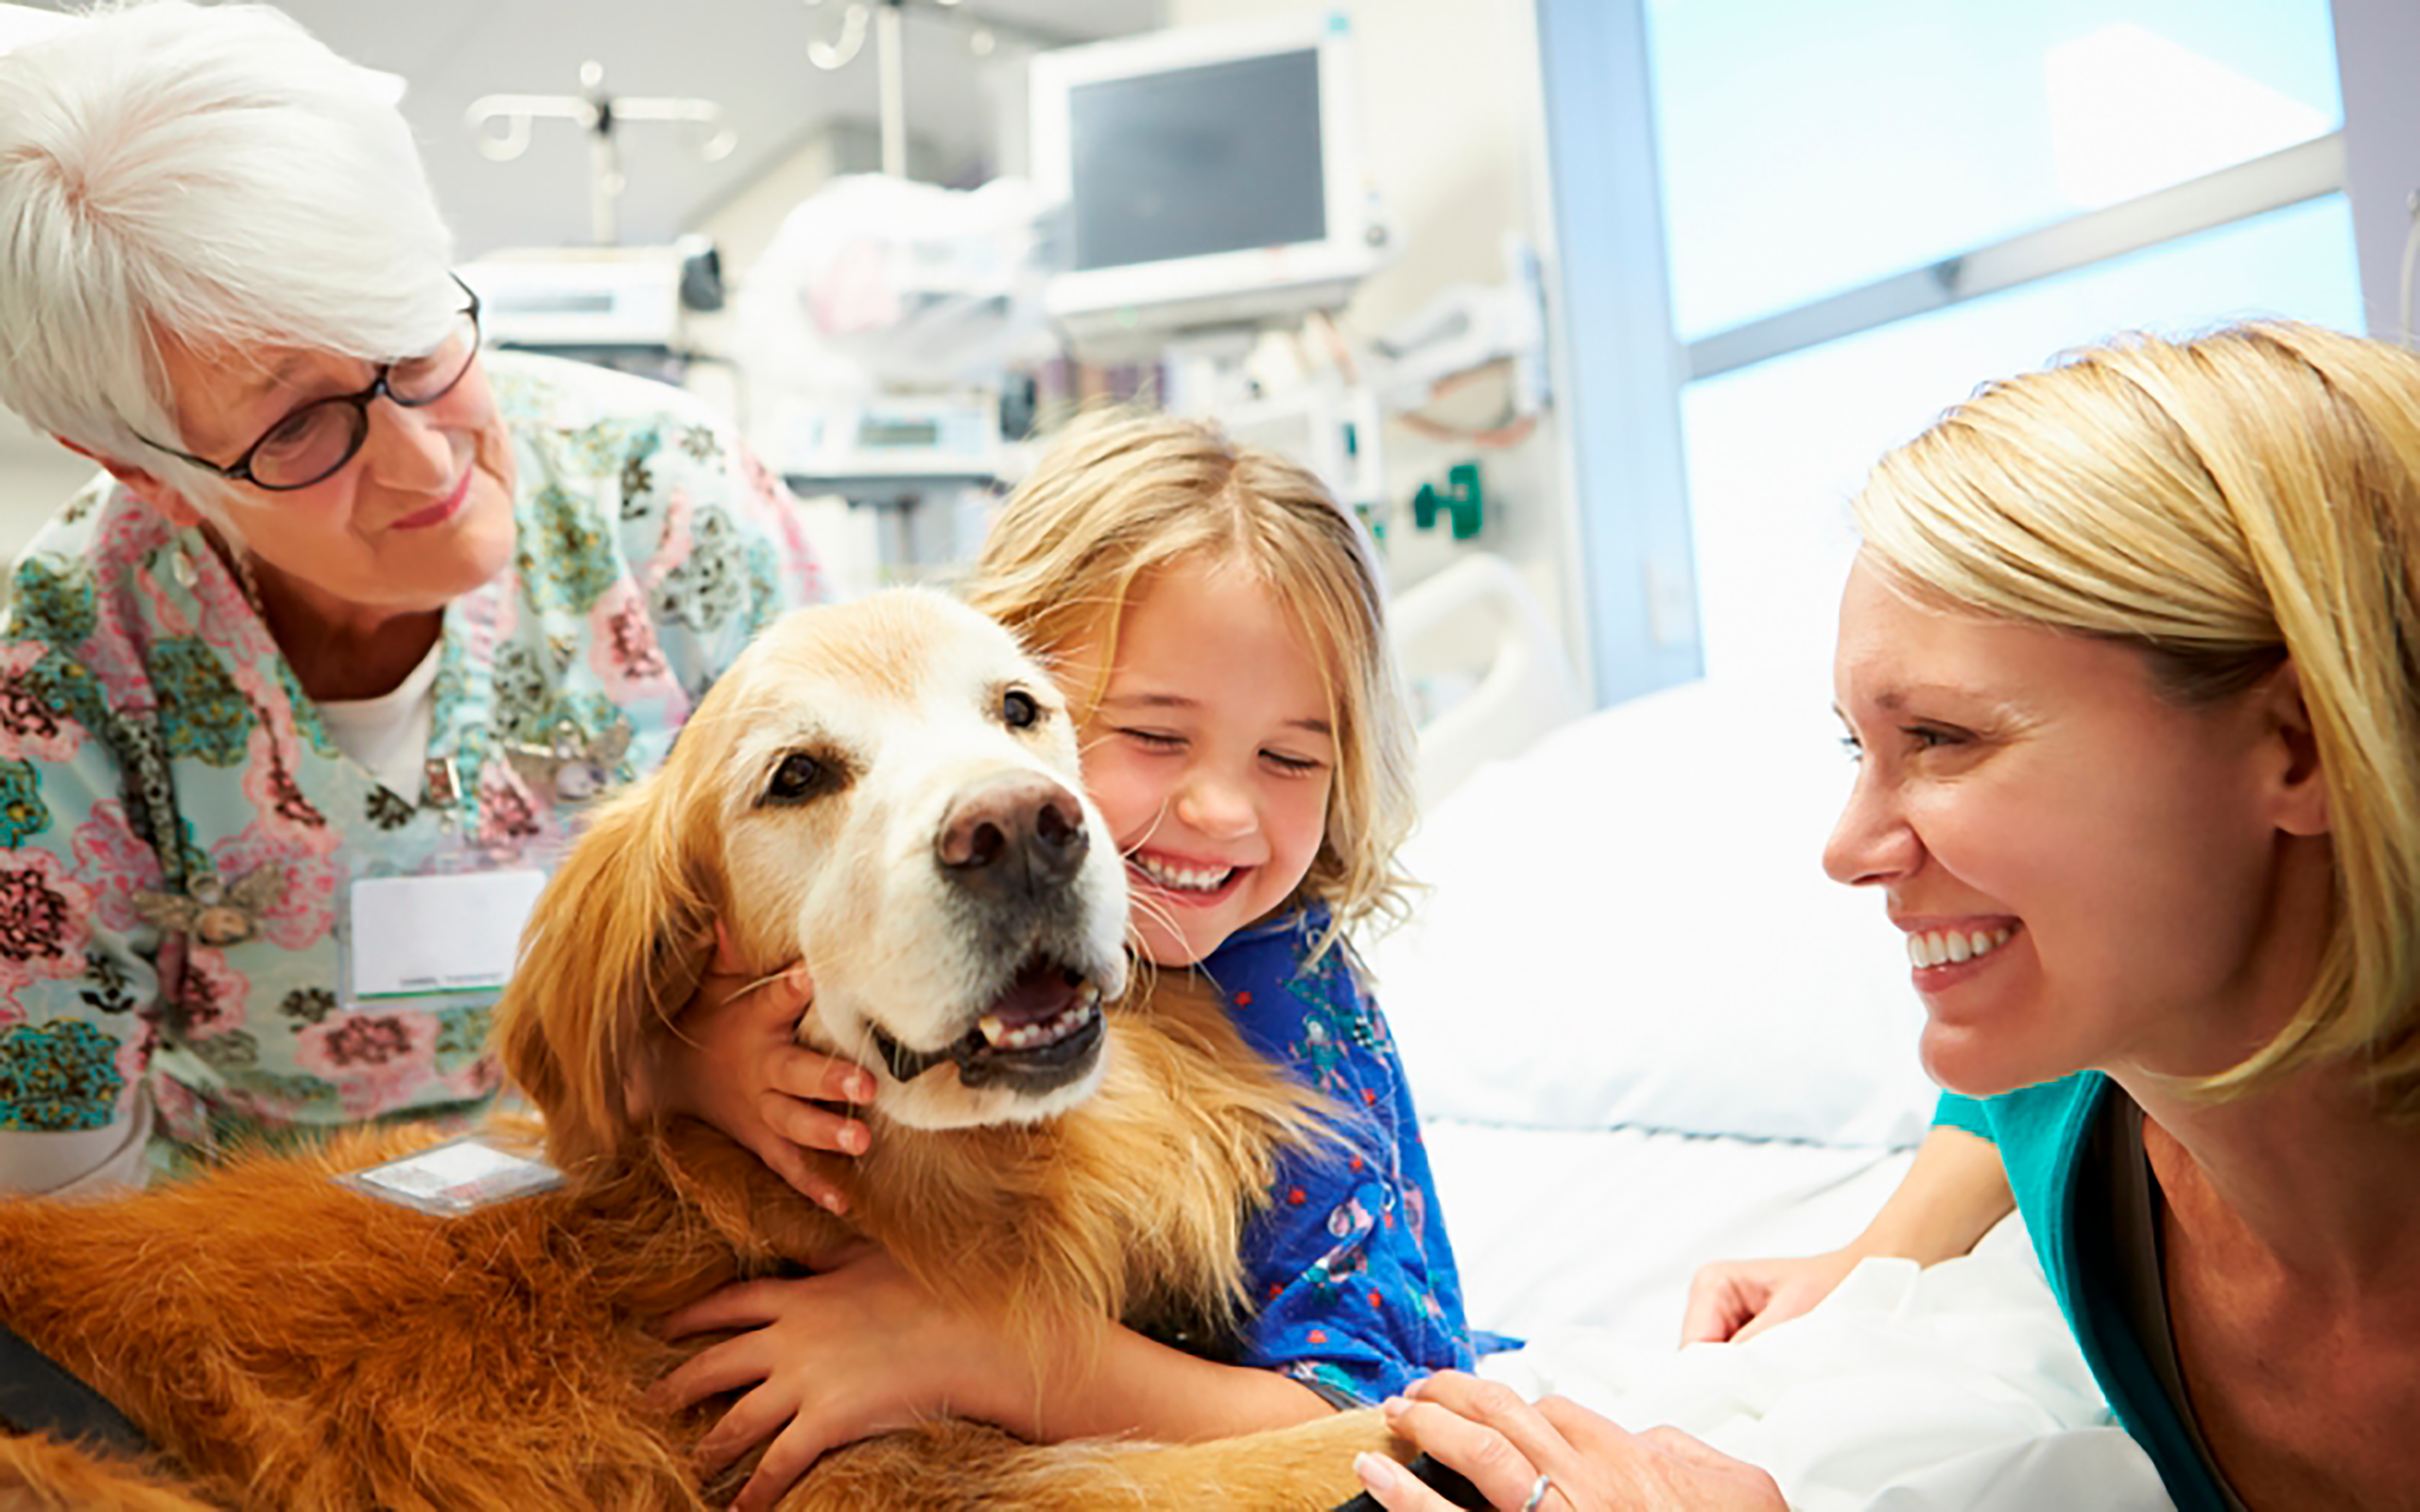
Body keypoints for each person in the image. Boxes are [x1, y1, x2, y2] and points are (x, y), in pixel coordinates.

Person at [1354, 320, 2420, 1512]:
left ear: (2297, 744)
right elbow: (2001, 1094)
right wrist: (1878, 1251)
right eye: (1859, 747)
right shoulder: (2084, 1079)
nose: (1848, 850)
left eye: (1943, 739)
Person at [0, 0, 847, 1195]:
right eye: (296, 426)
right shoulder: (71, 672)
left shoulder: (668, 506)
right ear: (148, 473)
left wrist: (678, 1071)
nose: (426, 462)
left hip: (676, 1196)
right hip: (270, 1267)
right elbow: (61, 1191)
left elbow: (868, 911)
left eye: (411, 345)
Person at [648, 411, 1476, 1511]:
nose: (1222, 811)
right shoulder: (947, 889)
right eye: (1152, 736)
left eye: (1288, 757)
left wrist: (979, 1345)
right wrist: (687, 1062)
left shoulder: (1294, 999)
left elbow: (1374, 1426)